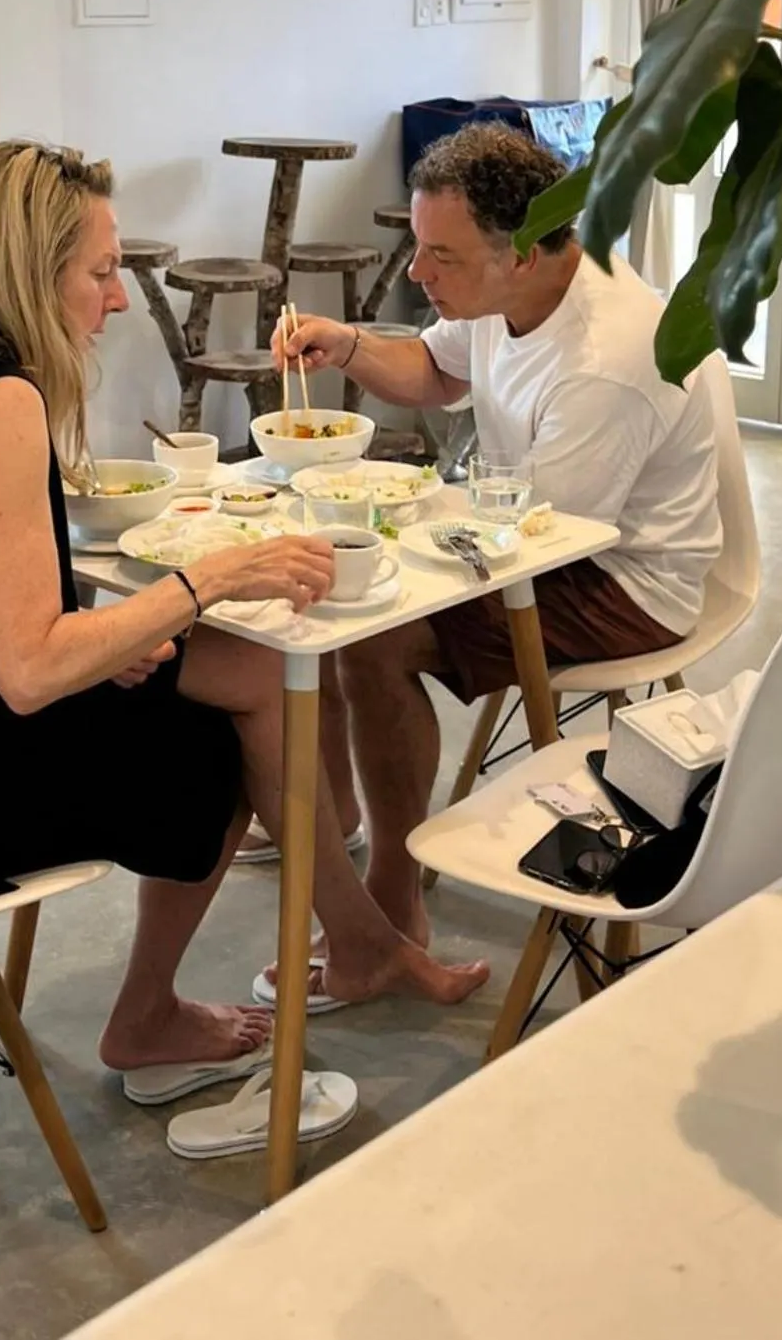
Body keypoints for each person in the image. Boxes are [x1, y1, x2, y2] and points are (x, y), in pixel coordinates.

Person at [0, 139, 488, 1086]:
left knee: (258, 674)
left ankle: (358, 938)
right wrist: (210, 580)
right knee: (212, 742)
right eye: (100, 272)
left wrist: (109, 641)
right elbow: (27, 669)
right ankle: (152, 1012)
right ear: (31, 274)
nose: (116, 297)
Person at [278, 122, 722, 946]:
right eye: (420, 246)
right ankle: (338, 820)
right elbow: (438, 372)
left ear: (520, 252)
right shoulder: (500, 292)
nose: (416, 271)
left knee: (372, 640)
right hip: (541, 531)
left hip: (623, 577)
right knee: (329, 598)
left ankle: (389, 900)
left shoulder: (605, 357)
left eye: (437, 256)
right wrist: (348, 346)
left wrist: (399, 522)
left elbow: (536, 541)